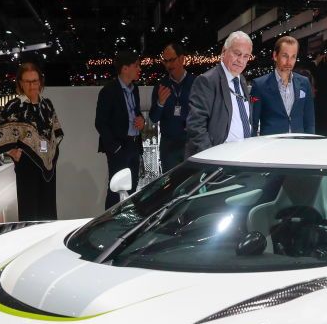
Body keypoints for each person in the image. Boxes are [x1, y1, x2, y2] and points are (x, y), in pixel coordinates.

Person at [0, 63, 64, 221]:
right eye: (27, 81)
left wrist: (52, 153)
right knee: (29, 210)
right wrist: (11, 152)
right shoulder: (15, 106)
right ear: (20, 83)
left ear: (40, 82)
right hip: (27, 166)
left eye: (35, 81)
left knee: (48, 209)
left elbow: (55, 132)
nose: (32, 85)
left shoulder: (46, 105)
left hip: (47, 167)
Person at [185, 31, 253, 158]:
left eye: (245, 56)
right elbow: (196, 126)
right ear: (224, 51)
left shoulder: (241, 80)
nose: (240, 61)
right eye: (237, 54)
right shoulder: (207, 81)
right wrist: (211, 158)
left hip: (243, 156)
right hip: (219, 159)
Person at [95, 51, 145, 209]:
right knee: (116, 189)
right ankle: (107, 223)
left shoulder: (134, 89)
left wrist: (141, 120)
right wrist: (115, 148)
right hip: (119, 147)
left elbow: (134, 113)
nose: (139, 69)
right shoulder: (108, 91)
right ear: (124, 68)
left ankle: (127, 223)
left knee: (132, 188)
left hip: (134, 145)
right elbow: (100, 123)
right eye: (136, 65)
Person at [250, 35, 315, 136]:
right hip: (271, 146)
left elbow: (309, 120)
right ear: (275, 56)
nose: (289, 62)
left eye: (293, 56)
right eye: (285, 56)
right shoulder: (259, 85)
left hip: (298, 144)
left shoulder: (304, 82)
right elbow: (253, 123)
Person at [149, 41, 196, 172]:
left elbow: (206, 112)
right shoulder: (161, 86)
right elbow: (153, 118)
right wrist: (160, 103)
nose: (168, 65)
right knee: (171, 187)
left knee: (193, 184)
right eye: (165, 61)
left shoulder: (196, 83)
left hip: (191, 142)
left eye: (172, 60)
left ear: (182, 59)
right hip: (168, 146)